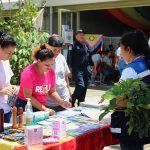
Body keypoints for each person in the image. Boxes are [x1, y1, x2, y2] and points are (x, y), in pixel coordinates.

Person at [116, 30, 150, 150]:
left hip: (130, 122)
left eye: (121, 49)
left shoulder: (130, 70)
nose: (121, 54)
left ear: (129, 49)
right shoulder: (146, 63)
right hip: (143, 120)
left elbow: (120, 101)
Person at [16, 45, 71, 115]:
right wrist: (44, 109)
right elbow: (28, 96)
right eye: (47, 65)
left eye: (51, 64)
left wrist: (61, 102)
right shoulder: (28, 73)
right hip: (25, 106)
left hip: (40, 105)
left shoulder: (51, 72)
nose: (49, 67)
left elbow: (52, 91)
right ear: (39, 61)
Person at [45, 35, 72, 112]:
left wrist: (69, 93)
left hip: (65, 98)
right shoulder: (41, 60)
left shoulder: (61, 57)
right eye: (54, 50)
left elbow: (65, 76)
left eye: (59, 50)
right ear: (47, 46)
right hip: (49, 103)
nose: (56, 53)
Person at [69, 30, 92, 107]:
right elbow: (69, 58)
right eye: (80, 35)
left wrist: (93, 67)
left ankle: (80, 104)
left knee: (84, 87)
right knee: (80, 86)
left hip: (86, 69)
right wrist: (70, 70)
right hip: (77, 69)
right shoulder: (73, 45)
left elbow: (89, 57)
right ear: (76, 36)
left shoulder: (85, 45)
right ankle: (72, 99)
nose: (82, 36)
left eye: (83, 35)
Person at [0, 31, 17, 123]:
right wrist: (1, 92)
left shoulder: (5, 61)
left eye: (12, 53)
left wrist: (12, 87)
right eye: (8, 53)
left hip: (6, 109)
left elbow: (7, 83)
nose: (10, 56)